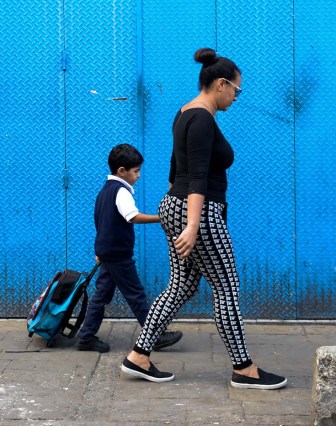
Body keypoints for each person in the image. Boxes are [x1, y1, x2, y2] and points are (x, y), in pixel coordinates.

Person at [120, 48, 287, 390]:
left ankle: (138, 355)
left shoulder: (185, 112)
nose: (237, 97)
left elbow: (174, 168)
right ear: (221, 84)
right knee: (226, 287)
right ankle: (244, 369)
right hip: (199, 212)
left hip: (178, 206)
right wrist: (192, 225)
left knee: (181, 286)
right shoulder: (202, 119)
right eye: (237, 90)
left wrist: (175, 209)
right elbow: (195, 175)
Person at [77, 143, 183, 353]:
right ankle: (155, 336)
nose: (139, 175)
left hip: (107, 252)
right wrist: (161, 218)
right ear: (122, 171)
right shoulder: (121, 191)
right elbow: (132, 216)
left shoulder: (104, 191)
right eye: (136, 171)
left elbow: (100, 221)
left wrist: (99, 249)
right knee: (136, 294)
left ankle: (86, 337)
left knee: (101, 296)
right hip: (117, 255)